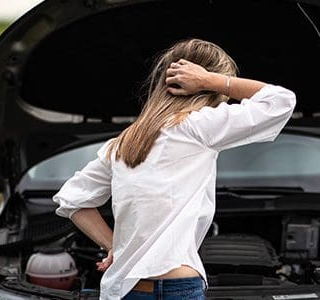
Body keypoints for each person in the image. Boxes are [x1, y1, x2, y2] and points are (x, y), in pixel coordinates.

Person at [53, 38, 296, 300]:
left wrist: (115, 246)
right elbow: (280, 100)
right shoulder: (199, 126)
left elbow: (73, 199)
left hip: (126, 290)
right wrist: (210, 80)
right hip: (177, 288)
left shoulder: (124, 143)